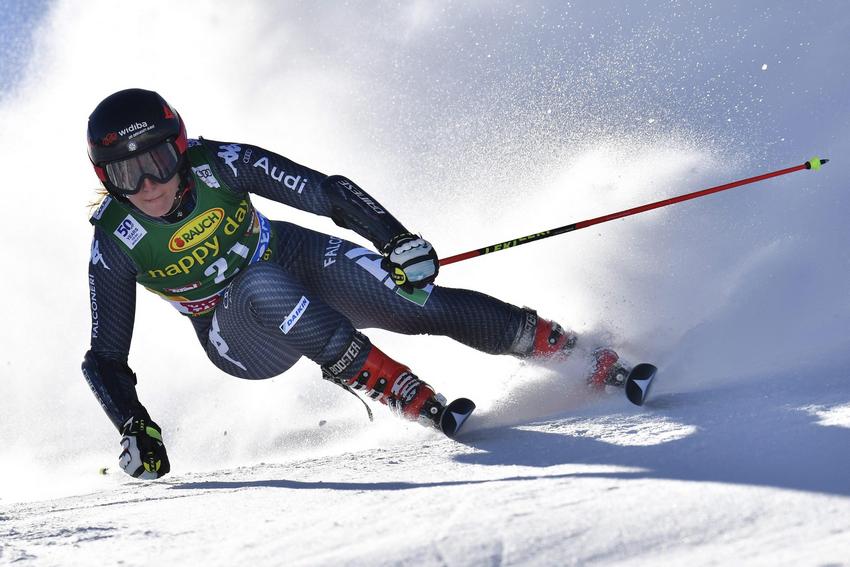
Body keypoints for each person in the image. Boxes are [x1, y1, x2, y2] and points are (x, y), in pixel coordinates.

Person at [82, 88, 630, 480]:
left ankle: (571, 352)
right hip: (238, 333)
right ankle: (390, 383)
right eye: (126, 174)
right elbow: (104, 356)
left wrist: (395, 241)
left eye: (156, 161)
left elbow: (327, 191)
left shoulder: (219, 164)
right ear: (106, 178)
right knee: (257, 284)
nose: (148, 184)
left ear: (180, 148)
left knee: (414, 300)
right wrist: (135, 425)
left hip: (296, 256)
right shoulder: (115, 240)